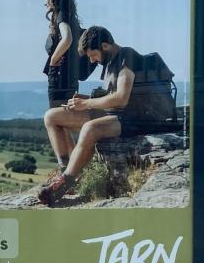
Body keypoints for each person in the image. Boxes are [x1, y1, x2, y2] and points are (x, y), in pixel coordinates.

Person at [37, 25, 152, 207]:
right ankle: (65, 169)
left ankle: (66, 182)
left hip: (135, 117)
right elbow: (111, 96)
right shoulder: (110, 62)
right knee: (52, 117)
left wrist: (87, 104)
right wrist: (86, 99)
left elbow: (121, 98)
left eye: (93, 55)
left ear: (105, 46)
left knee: (90, 129)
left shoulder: (126, 57)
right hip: (116, 113)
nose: (92, 60)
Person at [42, 0, 85, 109]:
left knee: (54, 118)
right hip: (70, 78)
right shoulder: (70, 18)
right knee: (62, 119)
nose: (44, 2)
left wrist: (53, 60)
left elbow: (67, 38)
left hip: (59, 78)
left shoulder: (62, 16)